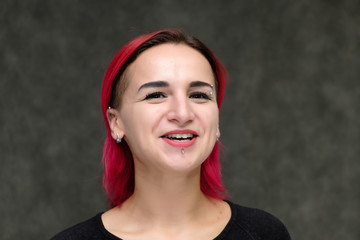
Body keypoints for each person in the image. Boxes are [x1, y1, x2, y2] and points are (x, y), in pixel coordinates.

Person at [51, 28, 291, 240]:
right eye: (156, 95)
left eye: (199, 95)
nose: (182, 113)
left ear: (216, 119)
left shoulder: (264, 234)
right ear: (116, 122)